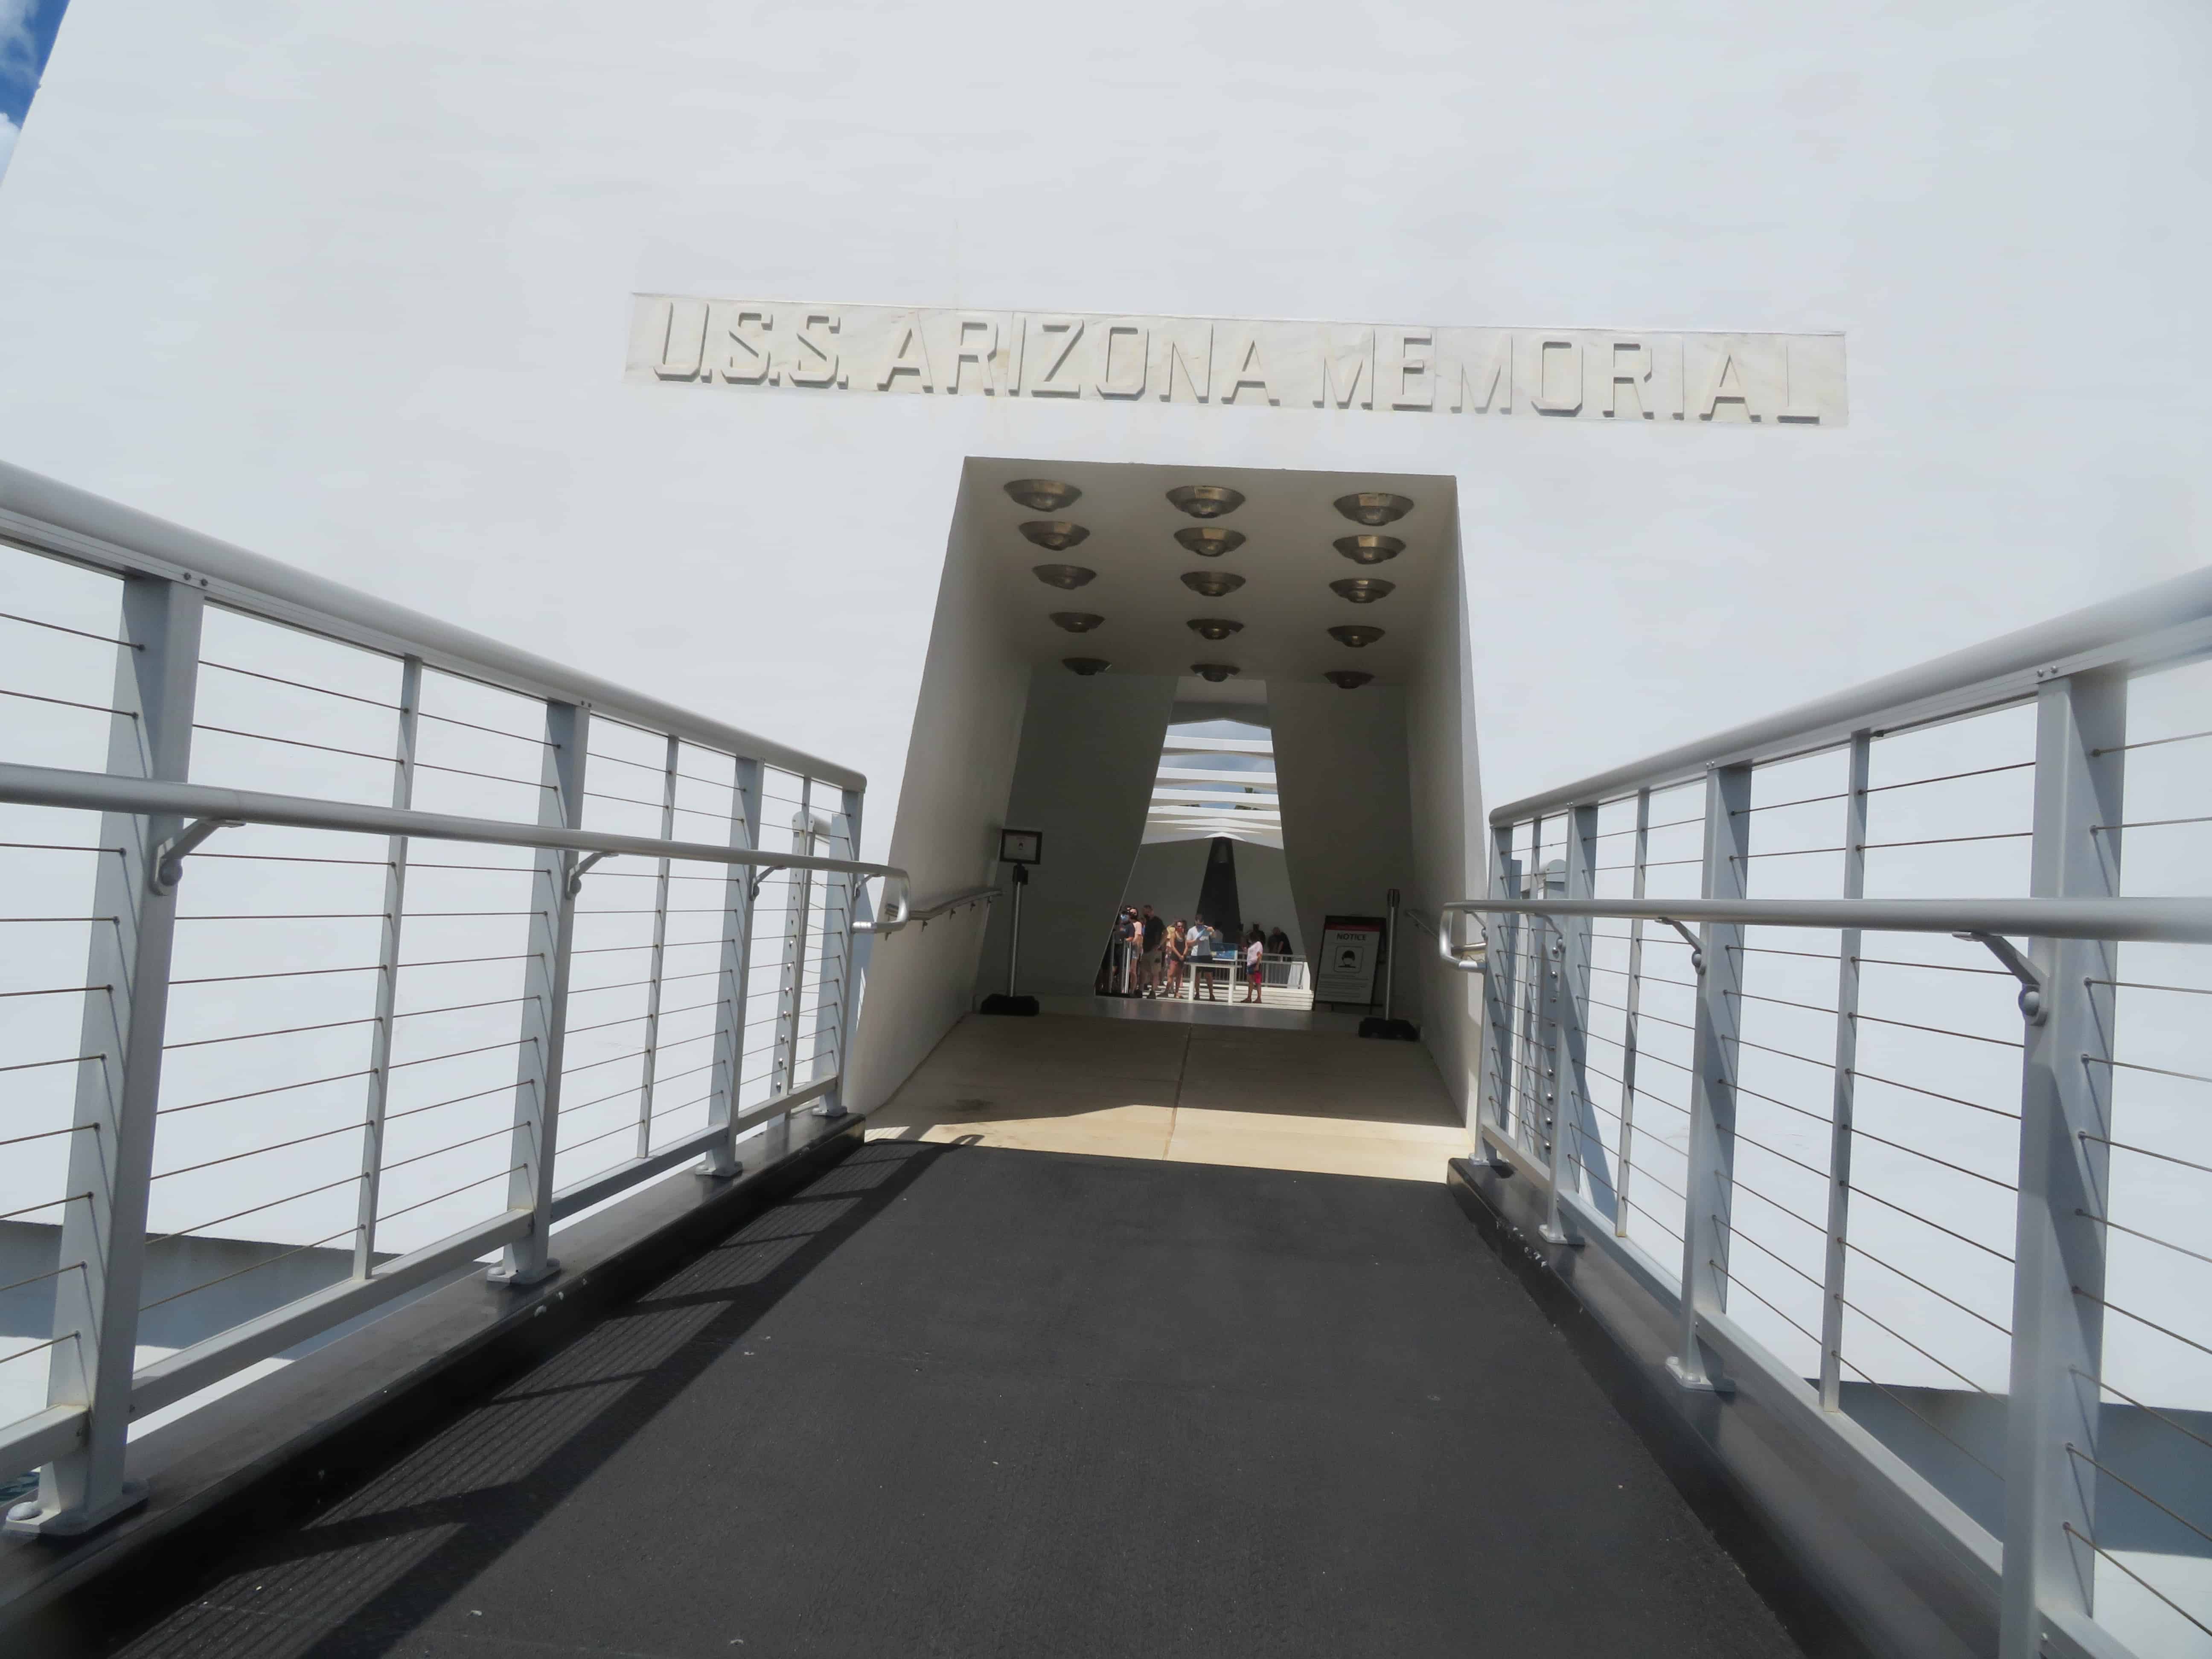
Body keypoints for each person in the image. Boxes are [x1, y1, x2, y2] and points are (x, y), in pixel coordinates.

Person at [1139, 904, 1165, 997]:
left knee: (1155, 971)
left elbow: (1166, 932)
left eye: (1147, 912)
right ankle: (1140, 990)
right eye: (1144, 912)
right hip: (1146, 949)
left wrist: (1159, 944)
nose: (1145, 913)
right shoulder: (1147, 921)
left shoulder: (1157, 921)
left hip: (1155, 950)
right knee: (1143, 970)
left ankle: (1153, 991)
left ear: (1151, 911)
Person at [1188, 918, 1219, 1000]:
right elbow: (1188, 943)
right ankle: (1197, 993)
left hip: (1207, 955)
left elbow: (1214, 936)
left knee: (1209, 976)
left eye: (1201, 924)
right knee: (1197, 976)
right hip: (1196, 955)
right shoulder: (1191, 930)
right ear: (1195, 922)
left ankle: (1211, 994)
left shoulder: (1207, 929)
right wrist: (1196, 942)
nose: (1200, 926)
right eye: (1198, 924)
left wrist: (1212, 930)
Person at [1162, 919, 1187, 999]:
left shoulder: (1184, 935)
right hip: (1175, 957)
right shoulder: (1174, 935)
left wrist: (1184, 955)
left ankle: (1176, 992)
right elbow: (1173, 946)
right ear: (1176, 926)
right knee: (1171, 975)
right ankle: (1166, 991)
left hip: (1182, 958)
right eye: (1179, 926)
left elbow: (1187, 946)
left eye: (1182, 926)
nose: (1180, 928)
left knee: (1179, 976)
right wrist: (1179, 955)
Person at [1242, 927, 1265, 1003]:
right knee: (1251, 981)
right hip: (1250, 964)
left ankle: (1259, 998)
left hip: (1255, 964)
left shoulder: (1258, 944)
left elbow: (1259, 955)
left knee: (1257, 982)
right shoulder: (1252, 945)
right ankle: (1249, 997)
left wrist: (1258, 965)